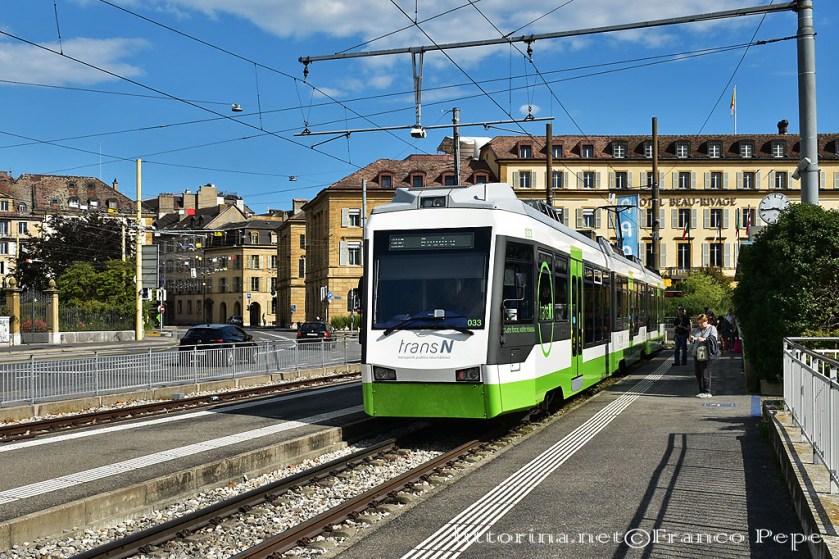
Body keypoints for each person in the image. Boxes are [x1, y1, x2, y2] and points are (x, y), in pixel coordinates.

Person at [690, 313, 719, 398]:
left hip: (707, 353)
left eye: (702, 322)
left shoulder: (712, 328)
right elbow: (694, 339)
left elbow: (713, 339)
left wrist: (704, 339)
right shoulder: (697, 330)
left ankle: (707, 391)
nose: (701, 324)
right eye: (699, 322)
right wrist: (692, 339)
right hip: (697, 353)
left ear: (707, 321)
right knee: (698, 373)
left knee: (705, 373)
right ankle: (701, 391)